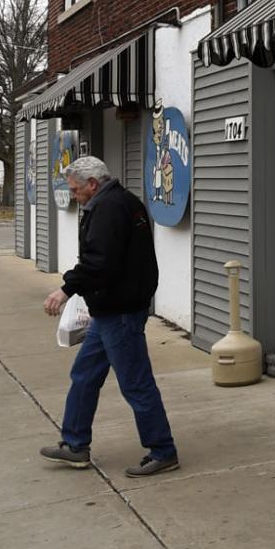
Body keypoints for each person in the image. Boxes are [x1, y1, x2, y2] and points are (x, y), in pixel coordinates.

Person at [40, 155, 179, 477]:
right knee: (85, 376)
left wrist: (65, 290)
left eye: (75, 190)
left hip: (120, 313)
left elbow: (99, 262)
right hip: (110, 311)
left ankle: (163, 450)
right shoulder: (122, 202)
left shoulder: (108, 208)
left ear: (92, 184)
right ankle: (75, 446)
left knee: (136, 383)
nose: (73, 196)